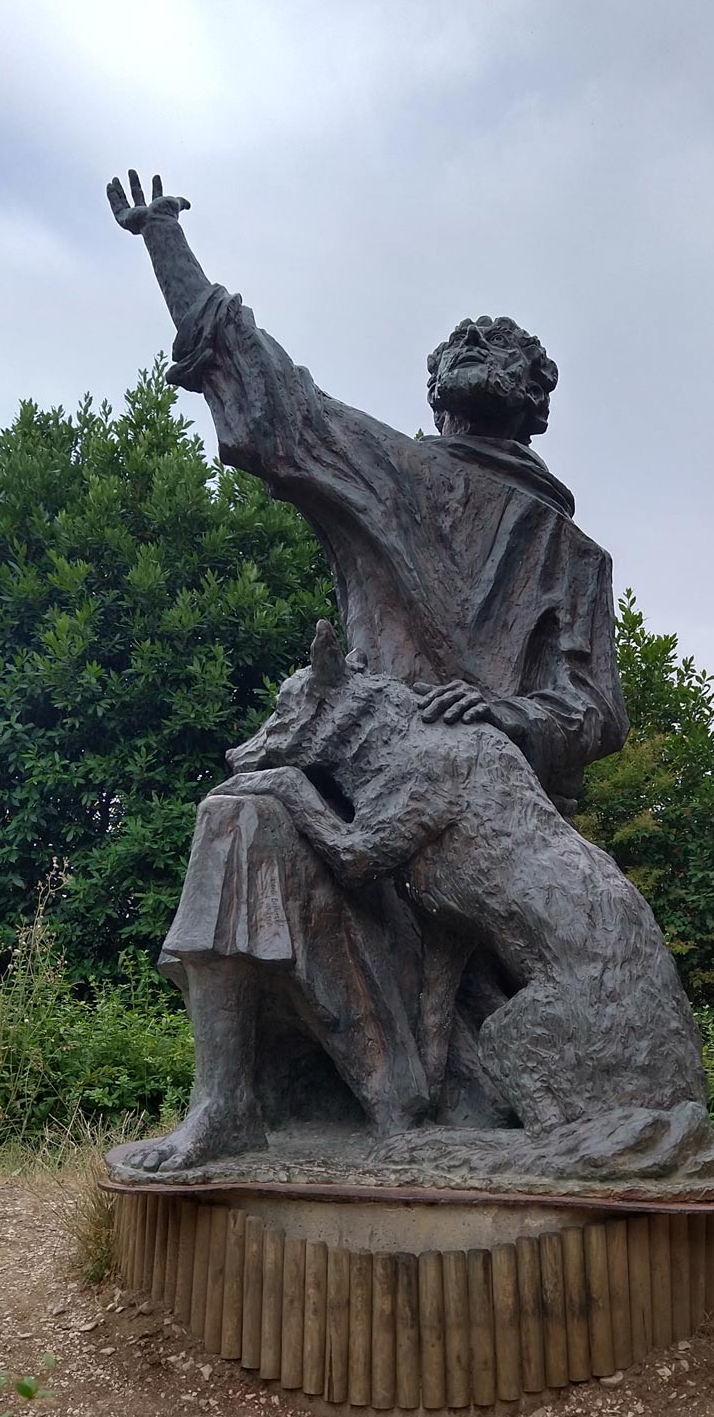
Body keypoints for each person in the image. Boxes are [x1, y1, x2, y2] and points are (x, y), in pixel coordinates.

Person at [107, 172, 628, 1172]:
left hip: (490, 832)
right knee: (238, 812)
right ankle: (225, 1105)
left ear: (536, 406)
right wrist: (165, 243)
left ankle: (419, 1092)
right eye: (469, 349)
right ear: (436, 390)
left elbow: (595, 717)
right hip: (362, 798)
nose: (489, 356)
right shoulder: (388, 469)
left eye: (511, 355)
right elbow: (273, 400)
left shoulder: (574, 557)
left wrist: (510, 715)